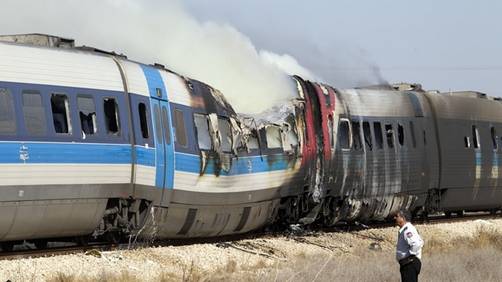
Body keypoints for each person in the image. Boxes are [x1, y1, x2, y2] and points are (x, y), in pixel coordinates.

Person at [395, 209, 424, 282]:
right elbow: (421, 242)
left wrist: (410, 257)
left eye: (397, 216)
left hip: (409, 264)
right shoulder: (406, 229)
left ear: (403, 218)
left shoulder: (408, 230)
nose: (395, 218)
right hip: (408, 264)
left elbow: (416, 244)